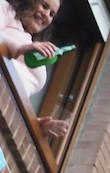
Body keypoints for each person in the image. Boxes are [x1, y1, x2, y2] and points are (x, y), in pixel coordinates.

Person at [0, 0, 69, 139]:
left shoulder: (31, 43)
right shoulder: (6, 9)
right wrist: (18, 49)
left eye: (52, 14)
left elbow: (17, 101)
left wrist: (37, 125)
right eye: (44, 6)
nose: (46, 15)